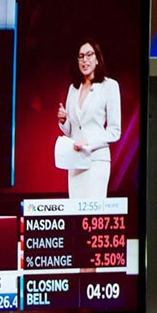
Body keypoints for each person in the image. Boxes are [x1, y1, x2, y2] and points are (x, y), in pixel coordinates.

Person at [57, 38, 121, 198]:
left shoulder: (109, 86)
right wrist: (64, 121)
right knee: (75, 209)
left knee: (93, 208)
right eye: (81, 56)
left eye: (89, 55)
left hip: (96, 160)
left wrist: (88, 142)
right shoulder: (73, 89)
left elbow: (114, 131)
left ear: (97, 59)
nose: (85, 60)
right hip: (75, 160)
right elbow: (72, 131)